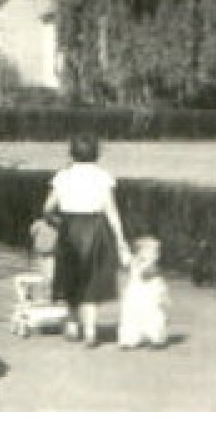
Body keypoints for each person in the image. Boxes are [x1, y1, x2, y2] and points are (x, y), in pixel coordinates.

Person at [42, 133, 131, 348]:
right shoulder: (102, 176)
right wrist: (121, 239)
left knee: (70, 277)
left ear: (72, 153)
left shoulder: (63, 176)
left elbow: (47, 208)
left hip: (70, 228)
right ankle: (91, 331)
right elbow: (111, 211)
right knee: (92, 280)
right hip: (95, 229)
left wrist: (56, 223)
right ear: (96, 153)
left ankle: (73, 323)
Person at [117, 236, 171, 349]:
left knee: (153, 314)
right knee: (131, 314)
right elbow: (126, 263)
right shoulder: (134, 260)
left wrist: (143, 264)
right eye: (146, 250)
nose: (153, 254)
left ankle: (156, 338)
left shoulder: (152, 264)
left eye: (154, 251)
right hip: (135, 292)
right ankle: (129, 339)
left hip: (149, 293)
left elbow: (149, 274)